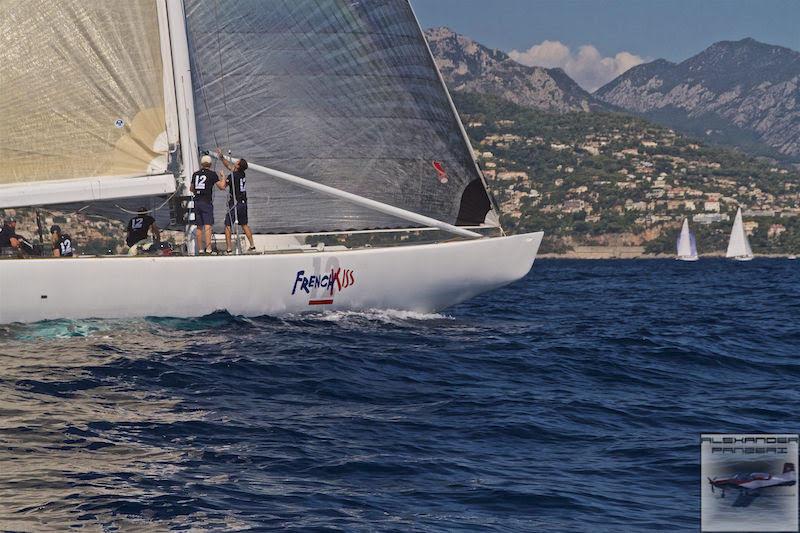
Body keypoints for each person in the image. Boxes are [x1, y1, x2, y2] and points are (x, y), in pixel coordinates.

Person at [217, 149, 256, 253]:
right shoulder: (242, 174)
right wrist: (221, 157)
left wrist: (222, 177)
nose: (235, 161)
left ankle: (229, 249)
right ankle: (252, 245)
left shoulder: (233, 176)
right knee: (244, 224)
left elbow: (222, 186)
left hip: (235, 203)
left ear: (238, 166)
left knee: (228, 225)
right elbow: (229, 166)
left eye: (237, 162)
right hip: (243, 203)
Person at [190, 154, 225, 254]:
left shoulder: (195, 174)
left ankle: (200, 249)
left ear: (201, 163)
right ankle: (208, 249)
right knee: (208, 225)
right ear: (210, 164)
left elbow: (191, 189)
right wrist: (222, 177)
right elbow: (222, 187)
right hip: (206, 202)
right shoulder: (212, 174)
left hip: (197, 202)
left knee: (199, 226)